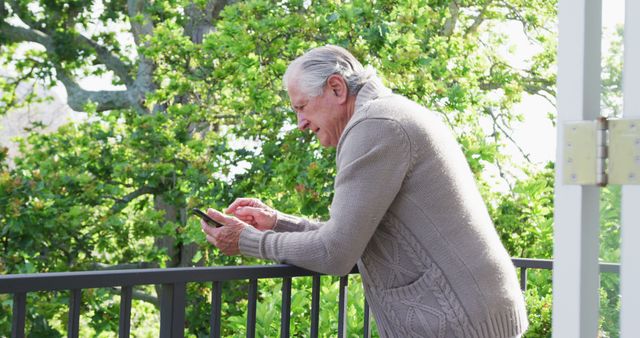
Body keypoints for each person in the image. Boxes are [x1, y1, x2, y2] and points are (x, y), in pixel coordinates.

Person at [200, 45, 528, 338]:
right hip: (471, 315)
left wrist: (246, 241)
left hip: (456, 324)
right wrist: (276, 222)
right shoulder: (389, 113)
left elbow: (336, 252)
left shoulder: (375, 126)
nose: (300, 122)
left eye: (302, 107)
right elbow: (353, 235)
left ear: (336, 88)